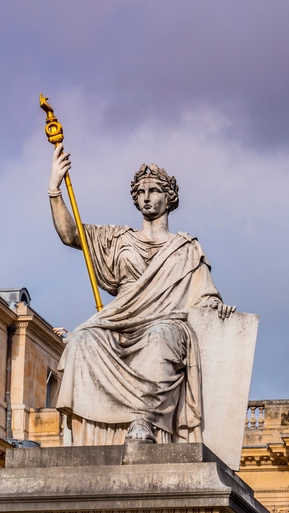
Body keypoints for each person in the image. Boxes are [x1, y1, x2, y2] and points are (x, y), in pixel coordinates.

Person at [47, 145, 235, 445]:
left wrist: (217, 307)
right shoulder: (117, 238)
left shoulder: (186, 249)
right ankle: (90, 437)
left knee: (161, 335)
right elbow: (71, 235)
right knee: (82, 340)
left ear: (169, 197)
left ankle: (145, 418)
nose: (146, 197)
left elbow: (205, 297)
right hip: (119, 320)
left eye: (154, 190)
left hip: (165, 321)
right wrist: (55, 190)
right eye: (141, 192)